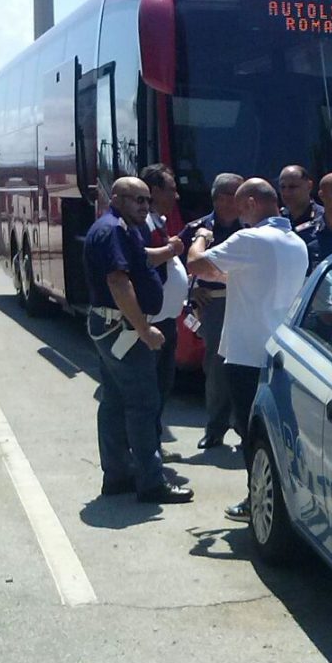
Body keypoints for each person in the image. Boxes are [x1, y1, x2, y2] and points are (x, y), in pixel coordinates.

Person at [186, 178, 308, 522]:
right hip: (279, 352)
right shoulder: (294, 241)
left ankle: (258, 501)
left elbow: (196, 264)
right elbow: (249, 278)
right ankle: (275, 499)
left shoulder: (251, 239)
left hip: (246, 355)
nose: (239, 216)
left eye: (241, 208)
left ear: (253, 203)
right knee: (275, 433)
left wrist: (200, 239)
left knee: (250, 434)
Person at [83, 176, 193, 504]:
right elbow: (119, 282)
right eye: (136, 199)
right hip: (123, 331)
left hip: (114, 328)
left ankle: (117, 475)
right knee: (143, 404)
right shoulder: (113, 229)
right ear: (115, 198)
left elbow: (141, 260)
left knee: (116, 401)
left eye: (147, 200)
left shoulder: (123, 229)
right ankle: (150, 483)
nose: (144, 206)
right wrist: (144, 331)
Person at [179, 173, 245, 451]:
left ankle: (246, 430)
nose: (240, 200)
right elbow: (175, 265)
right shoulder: (198, 229)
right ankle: (215, 429)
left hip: (247, 302)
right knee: (217, 369)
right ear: (218, 198)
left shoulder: (251, 229)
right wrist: (189, 292)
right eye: (233, 194)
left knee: (248, 366)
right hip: (214, 304)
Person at [140, 163, 188, 462]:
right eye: (171, 188)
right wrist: (172, 250)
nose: (177, 195)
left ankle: (153, 445)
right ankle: (146, 452)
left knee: (161, 388)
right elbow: (141, 260)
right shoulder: (143, 223)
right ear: (155, 191)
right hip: (153, 323)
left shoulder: (158, 220)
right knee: (149, 391)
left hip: (167, 321)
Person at [278, 165, 324, 245]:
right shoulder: (278, 220)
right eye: (283, 187)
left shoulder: (325, 219)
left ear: (309, 186)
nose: (286, 192)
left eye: (292, 187)